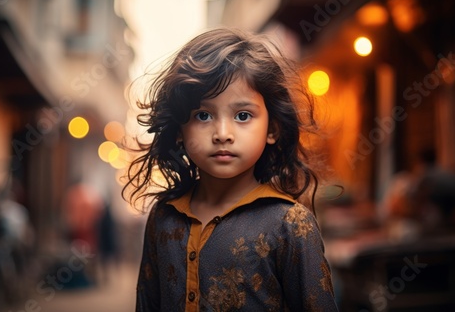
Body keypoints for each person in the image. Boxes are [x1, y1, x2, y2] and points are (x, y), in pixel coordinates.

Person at [123, 27, 338, 311]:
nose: (223, 133)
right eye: (203, 115)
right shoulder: (164, 217)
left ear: (272, 128)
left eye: (242, 115)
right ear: (179, 131)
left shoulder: (290, 225)